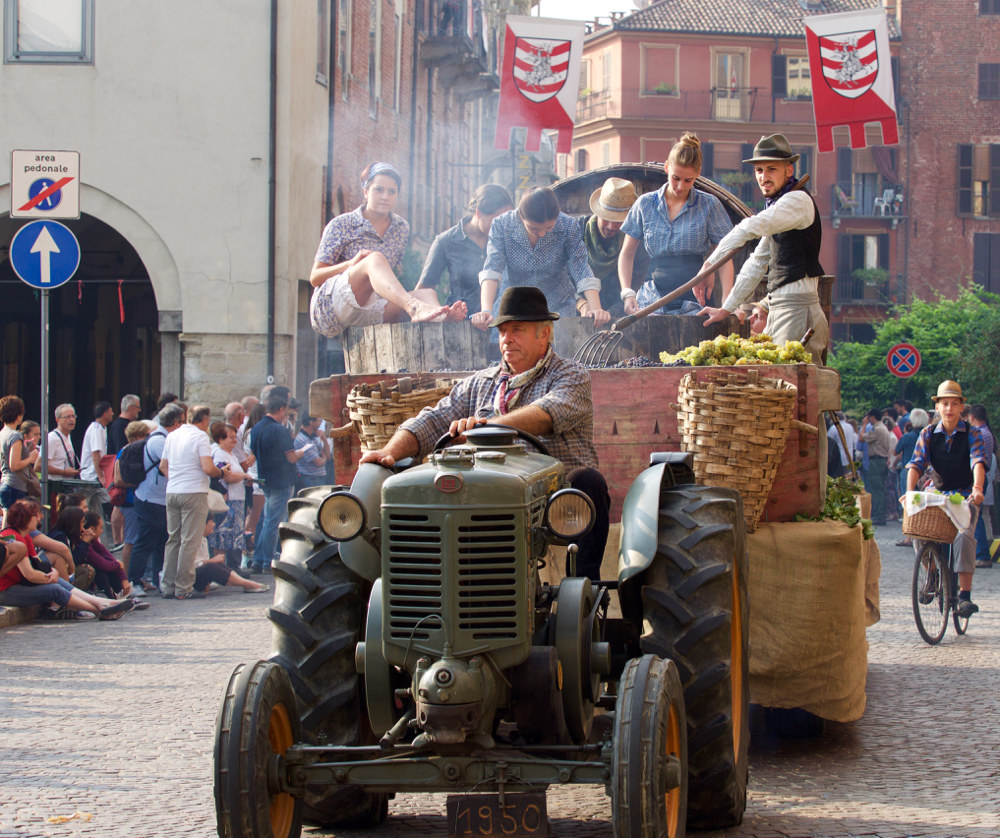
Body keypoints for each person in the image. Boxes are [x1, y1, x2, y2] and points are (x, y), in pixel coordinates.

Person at [361, 286, 611, 580]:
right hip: (484, 496)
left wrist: (485, 428)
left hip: (550, 504)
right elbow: (433, 420)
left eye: (517, 329)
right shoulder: (480, 382)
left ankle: (586, 591)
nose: (507, 339)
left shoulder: (571, 375)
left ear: (545, 334)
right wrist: (390, 451)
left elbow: (549, 412)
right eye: (502, 331)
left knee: (587, 481)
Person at [698, 134, 830, 362]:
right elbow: (756, 263)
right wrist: (726, 308)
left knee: (794, 386)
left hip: (797, 310)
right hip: (781, 309)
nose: (764, 177)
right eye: (759, 170)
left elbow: (750, 227)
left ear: (789, 171)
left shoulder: (796, 201)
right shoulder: (781, 207)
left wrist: (708, 266)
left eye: (771, 169)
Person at [309, 162, 460, 338]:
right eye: (379, 190)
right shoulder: (342, 224)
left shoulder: (401, 228)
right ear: (366, 191)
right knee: (375, 259)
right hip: (330, 309)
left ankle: (440, 316)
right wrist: (350, 264)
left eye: (391, 192)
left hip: (369, 308)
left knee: (426, 293)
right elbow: (315, 277)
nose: (385, 197)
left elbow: (387, 282)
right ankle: (414, 308)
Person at [619, 134, 734, 316]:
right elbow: (626, 254)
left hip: (697, 296)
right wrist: (627, 293)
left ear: (697, 174)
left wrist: (727, 305)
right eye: (676, 178)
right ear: (666, 167)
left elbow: (726, 256)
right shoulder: (645, 204)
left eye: (688, 180)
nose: (680, 186)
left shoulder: (710, 205)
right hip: (652, 297)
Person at [906, 380, 988, 619]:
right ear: (938, 408)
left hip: (965, 494)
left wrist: (978, 488)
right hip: (939, 493)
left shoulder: (973, 433)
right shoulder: (928, 433)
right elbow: (916, 464)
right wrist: (911, 492)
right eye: (945, 404)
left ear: (962, 407)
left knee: (964, 537)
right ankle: (931, 574)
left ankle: (964, 595)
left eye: (954, 404)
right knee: (918, 530)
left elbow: (977, 462)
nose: (949, 408)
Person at [475, 187, 610, 328]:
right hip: (514, 306)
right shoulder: (501, 225)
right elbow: (492, 268)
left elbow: (581, 267)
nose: (542, 234)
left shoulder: (568, 226)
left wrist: (596, 308)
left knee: (560, 347)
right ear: (521, 216)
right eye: (534, 229)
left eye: (549, 228)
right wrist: (486, 310)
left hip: (557, 306)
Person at [0, 500, 132, 621]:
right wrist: (50, 577)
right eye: (37, 515)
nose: (41, 517)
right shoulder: (12, 537)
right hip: (6, 590)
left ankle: (101, 603)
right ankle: (100, 608)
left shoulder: (26, 537)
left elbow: (37, 565)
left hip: (17, 585)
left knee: (57, 582)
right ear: (26, 518)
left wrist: (52, 573)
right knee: (54, 589)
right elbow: (29, 574)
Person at [160, 405, 228, 600]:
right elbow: (208, 467)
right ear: (205, 420)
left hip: (172, 491)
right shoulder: (200, 437)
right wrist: (222, 472)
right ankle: (183, 587)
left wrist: (177, 479)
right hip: (193, 491)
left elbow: (164, 466)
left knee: (173, 539)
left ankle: (168, 586)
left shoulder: (172, 435)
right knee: (190, 540)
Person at [415, 184, 514, 315]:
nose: (503, 226)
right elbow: (423, 290)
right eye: (498, 220)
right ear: (478, 213)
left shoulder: (507, 239)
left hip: (499, 321)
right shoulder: (446, 241)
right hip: (460, 323)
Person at [249, 392, 308, 574]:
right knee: (272, 522)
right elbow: (291, 457)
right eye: (285, 411)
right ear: (281, 409)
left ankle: (259, 559)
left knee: (268, 520)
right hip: (281, 480)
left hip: (266, 478)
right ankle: (266, 560)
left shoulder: (257, 428)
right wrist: (301, 453)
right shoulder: (279, 430)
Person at [576, 178, 650, 319]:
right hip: (577, 315)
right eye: (606, 218)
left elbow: (634, 286)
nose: (611, 226)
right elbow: (563, 278)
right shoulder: (577, 231)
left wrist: (610, 315)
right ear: (598, 212)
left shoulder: (637, 244)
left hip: (619, 318)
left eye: (617, 221)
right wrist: (582, 304)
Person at [129, 403, 183, 593]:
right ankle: (133, 581)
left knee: (162, 541)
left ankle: (160, 579)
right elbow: (176, 463)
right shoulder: (159, 441)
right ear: (176, 423)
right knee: (145, 541)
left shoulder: (165, 438)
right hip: (150, 500)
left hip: (160, 499)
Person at [209, 421, 254, 572]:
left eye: (235, 437)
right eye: (231, 437)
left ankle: (233, 566)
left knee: (235, 534)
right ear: (221, 439)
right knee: (224, 534)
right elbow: (225, 476)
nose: (234, 440)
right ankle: (223, 568)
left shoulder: (232, 455)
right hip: (228, 500)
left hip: (238, 497)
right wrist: (243, 475)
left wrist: (245, 479)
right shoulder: (219, 454)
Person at [192, 514, 270, 595]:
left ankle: (246, 583)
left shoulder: (203, 539)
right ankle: (247, 584)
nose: (214, 524)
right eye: (211, 522)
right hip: (190, 579)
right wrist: (212, 561)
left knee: (217, 564)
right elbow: (192, 566)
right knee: (211, 566)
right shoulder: (194, 540)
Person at [1, 395, 40, 520]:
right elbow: (14, 465)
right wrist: (31, 457)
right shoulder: (15, 436)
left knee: (8, 523)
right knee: (14, 525)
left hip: (6, 482)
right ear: (18, 416)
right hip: (15, 485)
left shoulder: (2, 434)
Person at [893, 408, 929, 547]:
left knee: (908, 503)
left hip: (908, 471)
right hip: (925, 473)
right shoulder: (929, 434)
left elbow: (896, 450)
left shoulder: (908, 436)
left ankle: (908, 536)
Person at [967, 404, 995, 568]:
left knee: (974, 517)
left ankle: (982, 553)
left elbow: (977, 459)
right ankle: (980, 553)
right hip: (981, 476)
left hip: (978, 478)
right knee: (975, 516)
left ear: (971, 416)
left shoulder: (981, 434)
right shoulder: (987, 432)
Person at [859, 409, 894, 526]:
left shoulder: (877, 429)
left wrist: (864, 424)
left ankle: (879, 516)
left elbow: (861, 438)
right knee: (880, 488)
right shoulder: (883, 428)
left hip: (876, 461)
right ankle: (880, 515)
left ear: (872, 417)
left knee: (876, 489)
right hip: (881, 460)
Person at [294, 415, 330, 490]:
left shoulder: (314, 437)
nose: (320, 423)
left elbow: (328, 454)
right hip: (310, 478)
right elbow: (319, 462)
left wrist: (324, 438)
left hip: (318, 477)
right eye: (319, 420)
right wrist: (324, 457)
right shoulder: (303, 439)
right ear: (311, 422)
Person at [47, 403, 82, 479]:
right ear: (57, 420)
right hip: (55, 487)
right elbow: (39, 466)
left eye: (73, 416)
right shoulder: (52, 438)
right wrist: (64, 472)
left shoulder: (68, 436)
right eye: (67, 417)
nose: (71, 420)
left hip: (67, 487)